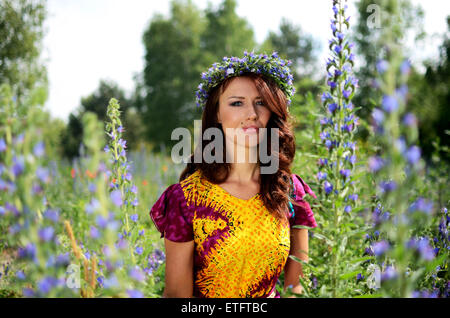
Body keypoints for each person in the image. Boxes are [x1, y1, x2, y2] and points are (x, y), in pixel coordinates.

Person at [150, 51, 318, 298]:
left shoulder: (289, 190)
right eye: (236, 103)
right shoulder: (185, 199)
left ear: (273, 110)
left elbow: (296, 289)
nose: (251, 113)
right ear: (217, 113)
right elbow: (177, 295)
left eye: (261, 102)